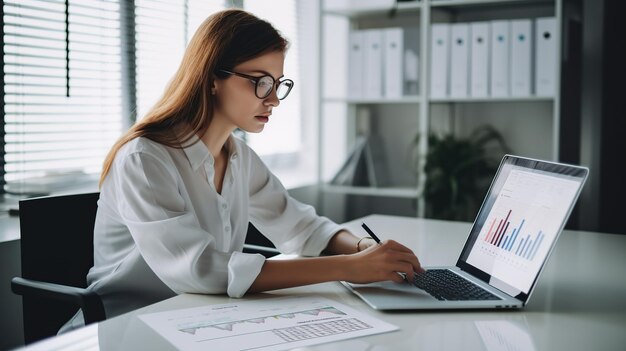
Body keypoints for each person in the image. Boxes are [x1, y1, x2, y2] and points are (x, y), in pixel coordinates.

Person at [60, 9, 423, 332]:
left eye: (278, 83)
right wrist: (349, 267)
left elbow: (302, 227)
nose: (274, 99)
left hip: (199, 319)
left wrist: (364, 249)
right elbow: (200, 269)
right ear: (212, 78)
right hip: (126, 327)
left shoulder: (238, 158)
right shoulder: (144, 159)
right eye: (260, 82)